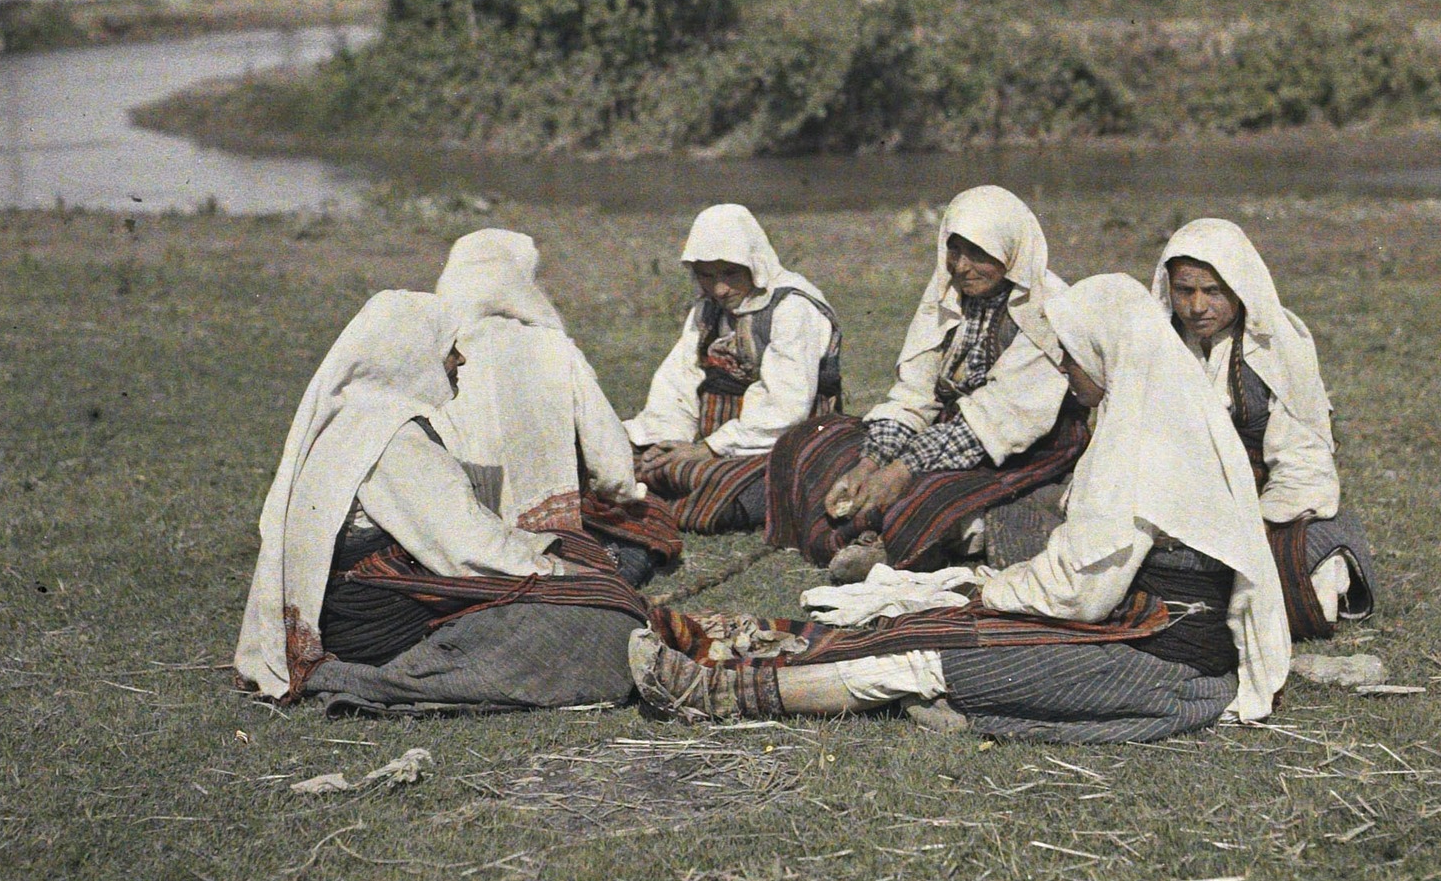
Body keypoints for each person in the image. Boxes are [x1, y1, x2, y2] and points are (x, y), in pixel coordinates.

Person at [630, 275, 1293, 742]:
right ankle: (738, 650)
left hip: (1162, 665)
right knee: (939, 626)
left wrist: (988, 590)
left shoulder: (1145, 440)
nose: (1066, 370)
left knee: (943, 653)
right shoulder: (1155, 414)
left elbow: (1082, 592)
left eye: (1070, 355)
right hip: (1136, 627)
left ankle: (728, 692)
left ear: (1104, 349)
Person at [232, 290, 658, 716]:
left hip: (365, 613)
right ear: (413, 356)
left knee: (588, 579)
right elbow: (468, 549)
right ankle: (391, 678)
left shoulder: (355, 418)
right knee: (602, 619)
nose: (462, 360)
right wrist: (557, 571)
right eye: (450, 349)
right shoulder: (393, 441)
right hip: (380, 631)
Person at [765, 185, 1086, 579]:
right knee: (814, 443)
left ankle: (895, 545)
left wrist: (901, 470)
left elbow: (995, 422)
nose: (961, 266)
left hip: (1018, 441)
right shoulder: (950, 292)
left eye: (978, 253)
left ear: (1010, 251)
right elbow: (915, 392)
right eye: (955, 250)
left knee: (925, 495)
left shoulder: (1047, 308)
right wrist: (870, 463)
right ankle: (881, 530)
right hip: (946, 432)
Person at [1153, 218, 1376, 640]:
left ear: (1239, 287)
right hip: (1176, 503)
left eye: (1213, 291)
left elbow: (1302, 460)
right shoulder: (1155, 345)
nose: (1197, 306)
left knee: (1308, 565)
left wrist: (1254, 525)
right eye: (1184, 291)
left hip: (1263, 510)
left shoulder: (1277, 346)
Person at [432, 228, 678, 586]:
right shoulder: (552, 347)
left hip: (460, 528)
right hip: (549, 529)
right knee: (650, 519)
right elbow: (608, 456)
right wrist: (623, 493)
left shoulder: (436, 354)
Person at [624, 205, 842, 534]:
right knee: (622, 456)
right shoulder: (708, 308)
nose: (719, 289)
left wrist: (708, 449)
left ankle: (667, 501)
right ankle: (665, 489)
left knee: (725, 489)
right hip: (714, 437)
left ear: (754, 263)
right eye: (706, 276)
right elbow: (680, 380)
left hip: (781, 440)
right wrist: (667, 441)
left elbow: (786, 407)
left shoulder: (793, 307)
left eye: (730, 274)